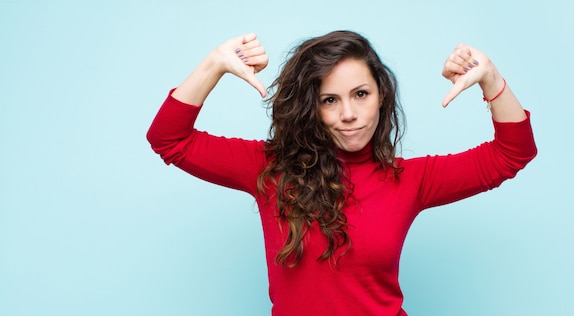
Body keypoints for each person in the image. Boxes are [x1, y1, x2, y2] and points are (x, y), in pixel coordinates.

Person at [147, 30, 537, 316]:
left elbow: (512, 153)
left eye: (360, 94)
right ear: (310, 108)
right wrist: (215, 62)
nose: (348, 114)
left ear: (381, 96)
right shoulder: (270, 170)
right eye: (329, 100)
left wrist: (491, 78)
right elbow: (169, 139)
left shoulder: (411, 180)